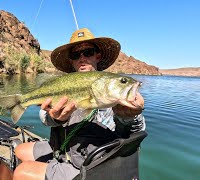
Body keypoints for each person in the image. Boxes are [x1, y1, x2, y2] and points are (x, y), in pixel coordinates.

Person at [13, 28, 146, 180]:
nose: (82, 58)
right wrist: (56, 119)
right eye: (75, 55)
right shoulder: (63, 83)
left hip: (90, 166)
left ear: (98, 56)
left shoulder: (113, 96)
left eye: (88, 52)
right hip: (63, 148)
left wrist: (130, 117)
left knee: (21, 172)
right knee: (20, 151)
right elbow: (45, 118)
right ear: (71, 60)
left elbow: (133, 132)